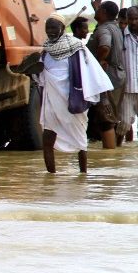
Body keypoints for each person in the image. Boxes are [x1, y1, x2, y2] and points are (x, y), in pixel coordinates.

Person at [36, 14, 112, 173]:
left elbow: (92, 72)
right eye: (47, 28)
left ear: (62, 29)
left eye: (54, 27)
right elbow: (41, 76)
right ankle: (51, 178)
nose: (50, 31)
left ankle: (83, 174)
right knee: (47, 138)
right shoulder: (45, 51)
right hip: (51, 102)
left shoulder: (77, 47)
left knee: (80, 140)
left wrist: (96, 97)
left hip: (74, 100)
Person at [86, 0, 125, 148]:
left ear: (103, 12)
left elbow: (104, 46)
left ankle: (110, 157)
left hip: (106, 77)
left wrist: (100, 61)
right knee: (111, 117)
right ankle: (113, 156)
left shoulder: (104, 29)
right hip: (117, 76)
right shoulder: (114, 26)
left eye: (99, 9)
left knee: (106, 120)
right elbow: (104, 21)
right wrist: (96, 8)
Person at [118, 7, 138, 137]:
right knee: (125, 123)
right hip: (127, 88)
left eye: (136, 18)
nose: (133, 22)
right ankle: (116, 151)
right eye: (130, 19)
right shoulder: (120, 36)